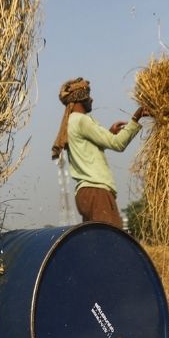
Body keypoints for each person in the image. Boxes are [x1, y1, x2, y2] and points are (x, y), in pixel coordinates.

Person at [51, 77, 148, 229]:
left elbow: (88, 150)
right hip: (97, 192)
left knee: (97, 240)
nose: (91, 99)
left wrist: (109, 133)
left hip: (85, 194)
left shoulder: (71, 122)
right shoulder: (82, 120)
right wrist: (137, 117)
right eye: (88, 96)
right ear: (80, 98)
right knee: (111, 239)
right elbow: (118, 144)